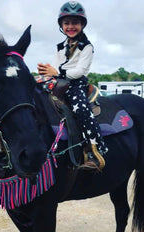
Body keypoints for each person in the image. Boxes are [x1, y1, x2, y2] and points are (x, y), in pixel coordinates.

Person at [37, 1, 108, 171]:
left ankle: (95, 149)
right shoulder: (60, 47)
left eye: (75, 22)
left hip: (76, 84)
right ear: (61, 25)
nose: (71, 26)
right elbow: (55, 66)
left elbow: (80, 71)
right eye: (67, 23)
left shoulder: (87, 47)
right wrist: (45, 74)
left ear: (82, 24)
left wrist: (57, 73)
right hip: (59, 81)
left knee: (81, 109)